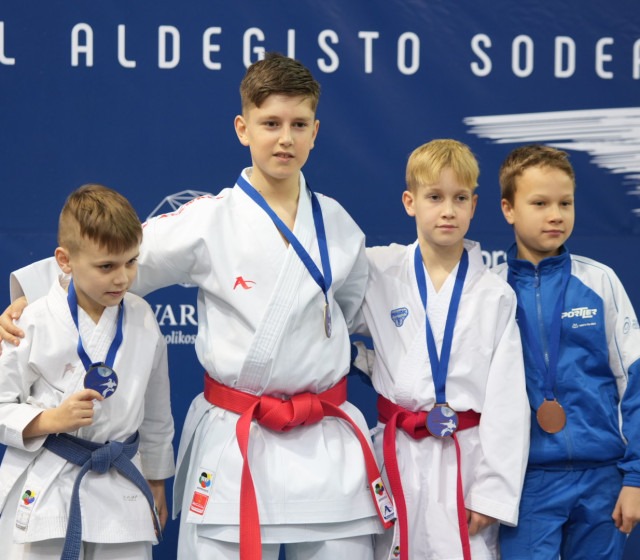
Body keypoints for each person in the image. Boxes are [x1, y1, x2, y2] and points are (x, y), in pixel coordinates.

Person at [0, 52, 393, 559]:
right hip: (238, 437)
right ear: (243, 128)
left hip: (324, 441)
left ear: (315, 132)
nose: (285, 138)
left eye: (299, 124)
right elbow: (108, 259)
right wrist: (31, 301)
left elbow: (351, 308)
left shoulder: (339, 227)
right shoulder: (209, 221)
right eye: (270, 123)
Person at [352, 139, 530, 560]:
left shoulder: (494, 294)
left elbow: (507, 403)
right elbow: (322, 315)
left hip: (465, 460)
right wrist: (362, 360)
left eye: (460, 198)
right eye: (434, 197)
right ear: (410, 202)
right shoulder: (377, 270)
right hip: (396, 451)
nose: (448, 210)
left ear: (474, 205)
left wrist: (491, 494)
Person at [0, 184, 175, 560]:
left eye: (131, 262)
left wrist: (157, 478)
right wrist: (50, 420)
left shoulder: (143, 317)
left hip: (122, 484)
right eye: (106, 266)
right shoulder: (32, 320)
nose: (122, 278)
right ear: (65, 261)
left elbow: (157, 412)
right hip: (48, 482)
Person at [493, 144, 640, 559]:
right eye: (540, 203)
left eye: (565, 203)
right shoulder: (491, 291)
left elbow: (634, 381)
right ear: (508, 209)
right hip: (526, 481)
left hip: (603, 477)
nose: (556, 215)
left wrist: (635, 477)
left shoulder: (601, 282)